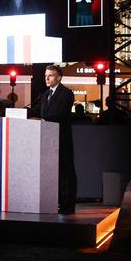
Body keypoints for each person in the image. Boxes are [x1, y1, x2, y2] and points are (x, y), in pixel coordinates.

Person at [28, 64, 77, 214]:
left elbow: (60, 114)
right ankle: (54, 202)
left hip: (61, 139)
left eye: (50, 75)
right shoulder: (45, 95)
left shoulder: (66, 93)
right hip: (47, 140)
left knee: (65, 172)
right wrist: (17, 111)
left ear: (59, 77)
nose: (47, 78)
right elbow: (35, 110)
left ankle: (67, 205)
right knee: (51, 173)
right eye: (45, 76)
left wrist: (42, 119)